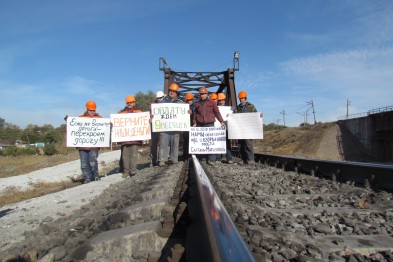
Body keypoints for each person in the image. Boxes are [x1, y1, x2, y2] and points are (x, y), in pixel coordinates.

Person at [69, 100, 102, 184]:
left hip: (94, 146)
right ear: (87, 109)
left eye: (93, 110)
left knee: (93, 161)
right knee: (84, 163)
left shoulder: (99, 118)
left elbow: (104, 128)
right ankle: (87, 178)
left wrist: (109, 125)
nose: (92, 112)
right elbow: (74, 127)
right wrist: (68, 121)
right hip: (82, 146)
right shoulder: (81, 118)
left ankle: (95, 176)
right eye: (90, 110)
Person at [193, 87, 226, 166]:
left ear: (207, 94)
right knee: (202, 143)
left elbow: (217, 113)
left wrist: (221, 121)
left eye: (204, 94)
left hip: (209, 124)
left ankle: (212, 159)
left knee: (211, 142)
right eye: (201, 94)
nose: (202, 95)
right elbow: (194, 115)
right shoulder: (197, 104)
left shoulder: (212, 103)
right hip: (200, 125)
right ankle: (203, 158)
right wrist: (194, 123)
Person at [158, 83, 184, 166]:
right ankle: (162, 159)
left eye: (174, 91)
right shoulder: (162, 102)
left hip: (175, 127)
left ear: (177, 93)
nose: (171, 92)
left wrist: (188, 112)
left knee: (175, 143)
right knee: (163, 143)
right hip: (164, 127)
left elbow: (185, 112)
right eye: (170, 91)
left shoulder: (180, 103)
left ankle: (174, 159)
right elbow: (157, 111)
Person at [118, 96, 142, 178]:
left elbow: (143, 122)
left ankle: (133, 171)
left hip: (135, 139)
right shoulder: (122, 113)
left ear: (134, 102)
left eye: (131, 102)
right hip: (125, 140)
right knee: (125, 156)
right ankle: (126, 172)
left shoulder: (139, 112)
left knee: (134, 155)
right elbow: (117, 123)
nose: (129, 103)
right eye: (128, 102)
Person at [233, 90, 258, 165]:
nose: (241, 99)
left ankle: (250, 160)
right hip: (240, 130)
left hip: (248, 130)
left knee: (248, 144)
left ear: (245, 98)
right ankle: (242, 159)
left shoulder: (251, 106)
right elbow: (234, 117)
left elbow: (255, 115)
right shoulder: (237, 108)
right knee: (240, 145)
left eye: (242, 98)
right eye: (240, 98)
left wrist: (260, 115)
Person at [149, 91, 165, 166]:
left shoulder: (166, 105)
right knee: (154, 144)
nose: (159, 99)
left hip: (162, 128)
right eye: (158, 98)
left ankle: (161, 159)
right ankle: (153, 160)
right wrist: (150, 118)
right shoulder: (152, 106)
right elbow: (148, 116)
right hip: (154, 128)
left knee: (162, 144)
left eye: (161, 98)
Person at [217, 92, 234, 164]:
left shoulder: (229, 109)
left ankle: (229, 158)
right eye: (220, 101)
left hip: (226, 128)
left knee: (227, 143)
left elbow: (235, 116)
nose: (221, 102)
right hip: (219, 128)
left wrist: (230, 114)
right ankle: (218, 158)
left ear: (224, 100)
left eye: (222, 100)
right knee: (219, 142)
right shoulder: (216, 108)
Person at [182, 93, 195, 160]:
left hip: (192, 126)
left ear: (192, 100)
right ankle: (185, 155)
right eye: (187, 100)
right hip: (185, 127)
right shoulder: (183, 107)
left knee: (193, 140)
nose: (189, 101)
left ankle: (192, 154)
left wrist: (192, 112)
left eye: (190, 100)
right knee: (186, 141)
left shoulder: (195, 107)